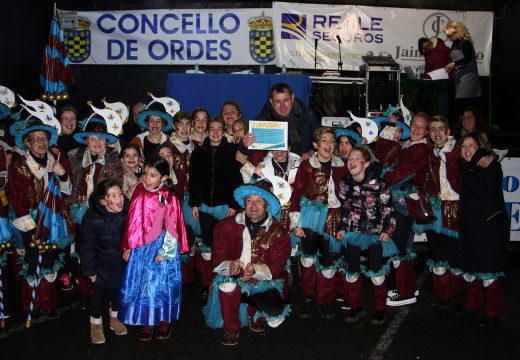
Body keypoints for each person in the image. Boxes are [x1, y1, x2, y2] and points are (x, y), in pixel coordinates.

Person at [204, 180, 291, 346]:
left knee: (275, 312)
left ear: (267, 205)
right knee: (226, 285)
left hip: (262, 280)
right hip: (233, 277)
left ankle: (254, 311)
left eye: (259, 201)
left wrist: (255, 269)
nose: (253, 206)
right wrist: (230, 265)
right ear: (244, 202)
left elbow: (277, 266)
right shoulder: (225, 226)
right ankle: (231, 328)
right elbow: (217, 259)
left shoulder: (279, 233)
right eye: (249, 200)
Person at [8, 118, 73, 323]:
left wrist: (62, 175)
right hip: (30, 223)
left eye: (43, 138)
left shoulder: (56, 160)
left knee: (50, 263)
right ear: (27, 143)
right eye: (35, 139)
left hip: (53, 221)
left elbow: (66, 192)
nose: (40, 142)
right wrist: (31, 229)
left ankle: (48, 304)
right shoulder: (19, 167)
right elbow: (17, 200)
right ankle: (31, 306)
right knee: (32, 264)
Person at [119, 155, 189, 341]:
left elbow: (174, 226)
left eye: (152, 175)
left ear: (163, 178)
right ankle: (147, 321)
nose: (146, 179)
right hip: (142, 246)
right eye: (145, 174)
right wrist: (128, 246)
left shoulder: (169, 197)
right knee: (144, 284)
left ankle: (165, 320)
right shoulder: (139, 191)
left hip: (163, 246)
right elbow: (132, 221)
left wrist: (165, 252)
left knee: (163, 284)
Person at [290, 127, 349, 319]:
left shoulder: (342, 166)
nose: (329, 145)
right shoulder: (306, 166)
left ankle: (325, 300)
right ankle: (307, 298)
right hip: (310, 217)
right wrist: (296, 223)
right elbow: (297, 194)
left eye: (332, 141)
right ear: (316, 144)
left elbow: (347, 196)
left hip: (333, 217)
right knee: (307, 259)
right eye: (324, 141)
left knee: (329, 262)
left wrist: (344, 223)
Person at [336, 146, 397, 325]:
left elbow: (388, 210)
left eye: (357, 158)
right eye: (349, 159)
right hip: (354, 233)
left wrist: (387, 230)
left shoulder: (380, 184)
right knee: (352, 270)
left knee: (376, 271)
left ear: (367, 163)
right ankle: (356, 307)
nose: (352, 161)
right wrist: (342, 227)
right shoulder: (345, 183)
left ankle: (380, 309)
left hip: (376, 233)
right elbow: (346, 208)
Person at [68, 115, 123, 310]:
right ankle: (84, 293)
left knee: (104, 257)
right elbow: (68, 185)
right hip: (77, 213)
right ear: (86, 140)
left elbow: (115, 187)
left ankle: (106, 295)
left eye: (101, 138)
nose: (97, 143)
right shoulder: (73, 157)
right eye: (93, 138)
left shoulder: (114, 160)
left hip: (102, 214)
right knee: (83, 253)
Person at [189, 117, 243, 296]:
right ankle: (207, 284)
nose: (215, 132)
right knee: (206, 247)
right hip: (204, 206)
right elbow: (195, 180)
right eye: (212, 129)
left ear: (223, 130)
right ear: (207, 131)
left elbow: (236, 180)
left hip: (225, 207)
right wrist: (195, 203)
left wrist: (234, 204)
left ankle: (225, 282)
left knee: (225, 246)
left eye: (219, 129)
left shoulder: (231, 151)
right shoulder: (198, 152)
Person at [458, 134, 508, 327]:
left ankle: (494, 311)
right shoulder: (466, 167)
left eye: (472, 145)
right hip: (471, 226)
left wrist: (470, 172)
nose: (467, 149)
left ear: (481, 147)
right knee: (471, 267)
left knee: (488, 270)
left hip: (488, 227)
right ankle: (473, 304)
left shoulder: (490, 166)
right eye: (464, 146)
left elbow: (484, 193)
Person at [383, 113, 430, 306]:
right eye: (414, 125)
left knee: (398, 246)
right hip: (400, 202)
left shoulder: (419, 149)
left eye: (421, 127)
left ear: (426, 131)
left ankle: (406, 292)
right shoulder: (409, 145)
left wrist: (382, 180)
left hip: (405, 203)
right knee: (400, 244)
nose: (417, 129)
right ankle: (408, 287)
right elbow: (388, 160)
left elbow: (400, 173)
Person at [79, 179, 128, 344]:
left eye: (120, 193)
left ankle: (115, 318)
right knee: (98, 294)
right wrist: (90, 271)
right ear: (103, 201)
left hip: (120, 261)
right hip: (99, 263)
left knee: (116, 291)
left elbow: (133, 235)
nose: (119, 198)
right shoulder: (92, 218)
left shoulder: (127, 212)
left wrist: (130, 249)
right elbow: (86, 247)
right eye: (113, 196)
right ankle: (96, 323)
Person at [256, 83, 319, 157]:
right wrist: (244, 145)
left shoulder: (307, 114)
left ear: (292, 98)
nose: (282, 106)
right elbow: (250, 148)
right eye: (278, 102)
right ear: (271, 102)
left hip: (305, 162)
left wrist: (311, 152)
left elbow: (320, 139)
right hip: (275, 164)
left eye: (285, 100)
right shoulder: (263, 121)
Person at [443, 22, 482, 115]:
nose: (449, 38)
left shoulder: (465, 43)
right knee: (461, 106)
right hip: (459, 78)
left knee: (467, 106)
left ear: (458, 32)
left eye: (451, 35)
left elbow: (468, 58)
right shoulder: (454, 45)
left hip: (468, 78)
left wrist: (453, 64)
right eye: (448, 36)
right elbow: (458, 62)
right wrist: (451, 67)